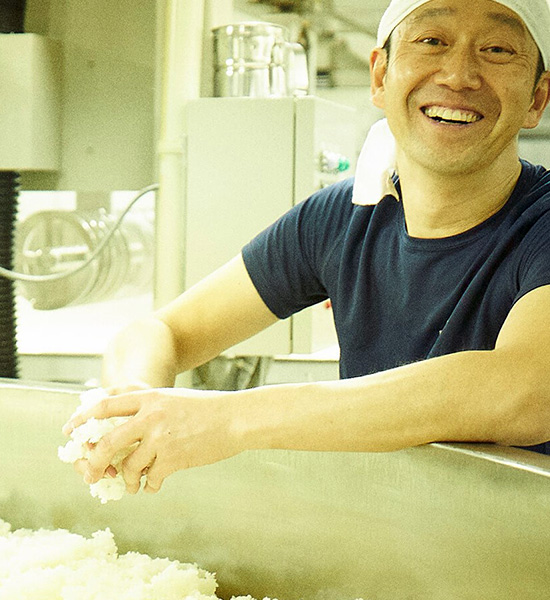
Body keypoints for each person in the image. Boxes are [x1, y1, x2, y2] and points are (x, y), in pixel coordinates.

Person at [64, 0, 550, 495]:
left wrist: (230, 420)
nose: (459, 74)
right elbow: (160, 329)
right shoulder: (340, 219)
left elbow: (525, 391)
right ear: (380, 77)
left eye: (497, 49)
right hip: (390, 543)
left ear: (537, 97)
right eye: (432, 42)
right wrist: (134, 401)